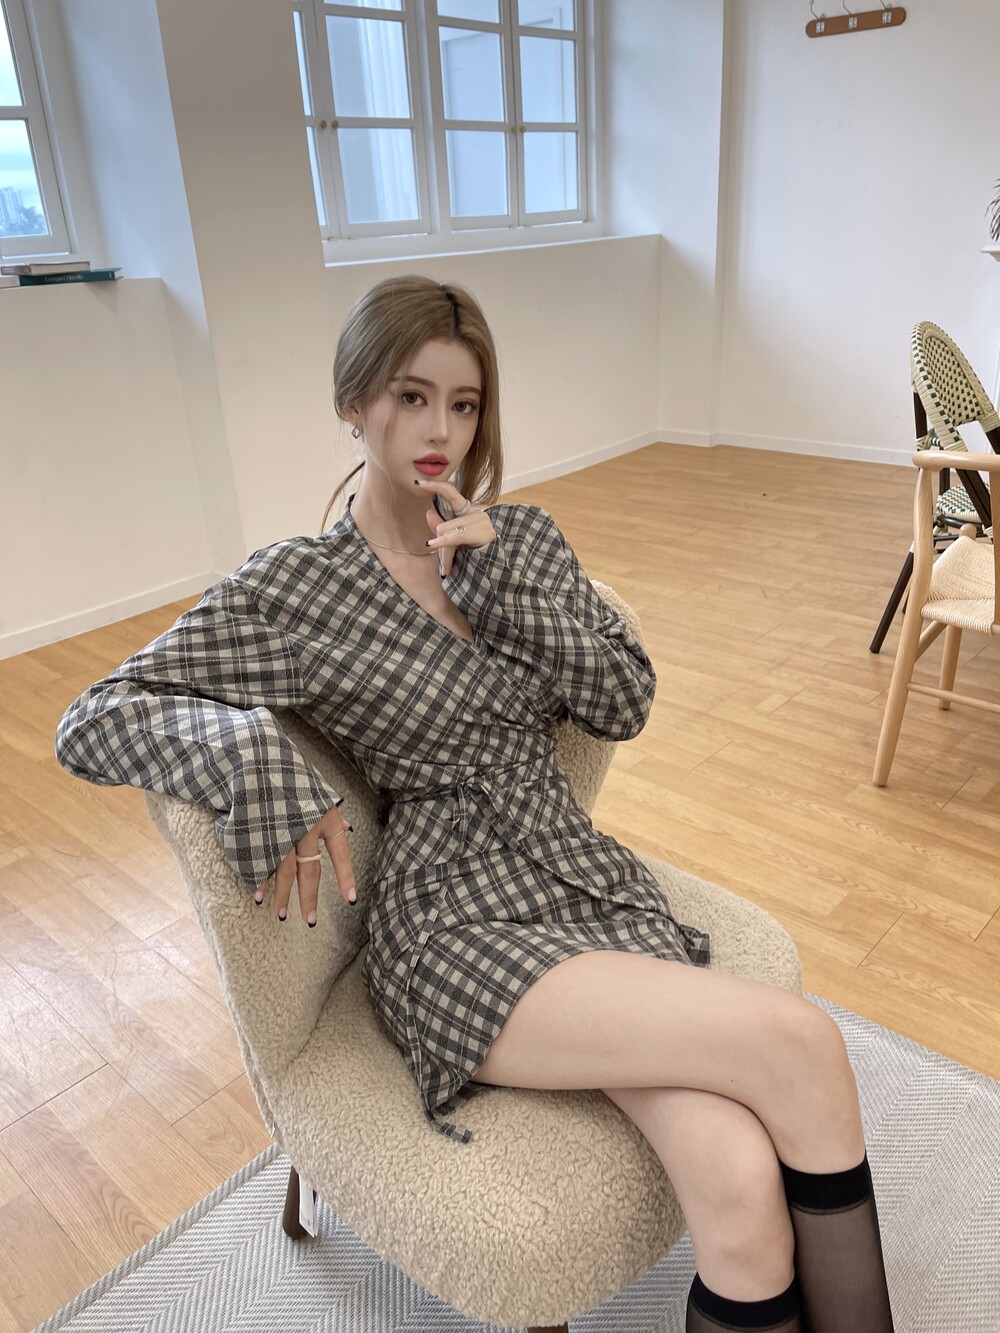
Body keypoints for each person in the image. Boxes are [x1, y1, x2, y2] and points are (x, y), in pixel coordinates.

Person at [55, 275, 894, 1332]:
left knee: (737, 1185)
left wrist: (510, 590)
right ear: (352, 403)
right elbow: (95, 713)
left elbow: (622, 702)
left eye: (463, 403)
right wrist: (249, 759)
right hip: (452, 916)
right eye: (410, 397)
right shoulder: (298, 589)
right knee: (802, 1044)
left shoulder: (525, 542)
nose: (439, 431)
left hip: (576, 875)